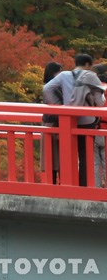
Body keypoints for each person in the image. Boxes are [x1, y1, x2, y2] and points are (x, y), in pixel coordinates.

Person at [42, 52, 105, 187]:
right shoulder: (91, 76)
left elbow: (47, 89)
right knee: (85, 156)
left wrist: (60, 107)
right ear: (88, 64)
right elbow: (100, 103)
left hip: (67, 120)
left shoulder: (64, 75)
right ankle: (84, 187)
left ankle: (67, 186)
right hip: (87, 121)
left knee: (67, 155)